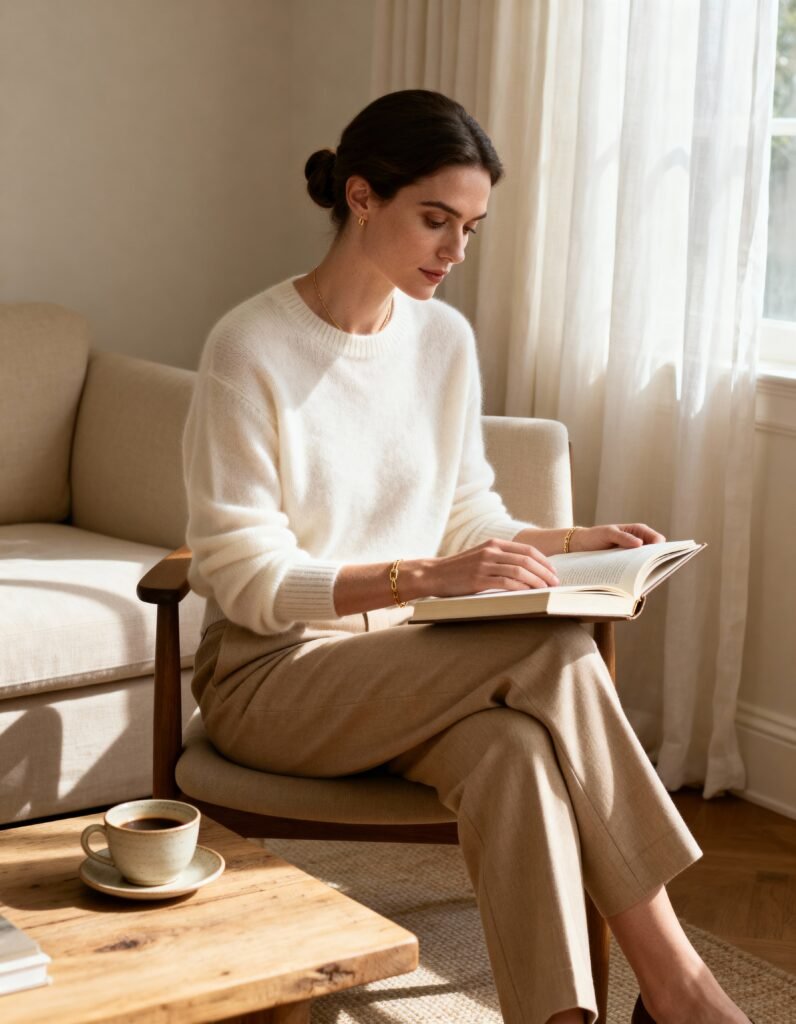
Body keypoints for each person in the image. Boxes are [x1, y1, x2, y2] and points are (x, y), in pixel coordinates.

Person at [182, 90, 753, 1024]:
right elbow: (245, 577)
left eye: (471, 228)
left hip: (411, 668)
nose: (453, 251)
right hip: (271, 676)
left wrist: (574, 542)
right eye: (435, 220)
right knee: (551, 653)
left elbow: (463, 514)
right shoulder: (249, 347)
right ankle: (680, 986)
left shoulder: (442, 339)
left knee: (516, 753)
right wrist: (427, 579)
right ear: (361, 197)